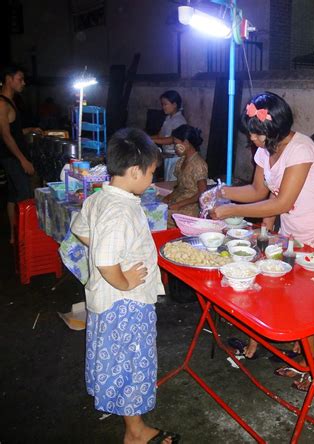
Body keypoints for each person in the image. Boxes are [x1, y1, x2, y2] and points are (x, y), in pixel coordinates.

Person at [210, 92, 314, 385]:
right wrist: (220, 191)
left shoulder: (302, 149)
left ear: (277, 129)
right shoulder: (264, 150)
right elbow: (258, 191)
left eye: (258, 133)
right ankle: (308, 361)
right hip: (292, 234)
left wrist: (231, 209)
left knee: (312, 304)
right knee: (298, 300)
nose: (254, 139)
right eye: (252, 133)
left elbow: (281, 203)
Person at [71, 128, 181, 443]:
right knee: (132, 363)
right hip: (125, 304)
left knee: (115, 358)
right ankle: (136, 431)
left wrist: (107, 252)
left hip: (108, 300)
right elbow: (106, 262)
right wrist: (124, 279)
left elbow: (81, 230)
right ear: (134, 171)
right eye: (150, 173)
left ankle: (120, 407)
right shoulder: (120, 211)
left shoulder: (101, 197)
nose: (151, 179)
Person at [0, 64, 42, 244]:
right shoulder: (2, 104)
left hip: (10, 158)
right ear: (9, 79)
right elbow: (5, 135)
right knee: (25, 195)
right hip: (12, 158)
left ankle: (14, 236)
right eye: (20, 79)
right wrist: (23, 160)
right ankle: (26, 238)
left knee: (13, 196)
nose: (23, 83)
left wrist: (30, 129)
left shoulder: (10, 102)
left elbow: (14, 131)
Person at [162, 124, 208, 228]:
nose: (174, 147)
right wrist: (168, 197)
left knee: (159, 215)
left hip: (190, 207)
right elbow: (179, 186)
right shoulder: (181, 161)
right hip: (178, 201)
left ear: (186, 143)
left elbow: (203, 193)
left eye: (176, 144)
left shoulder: (198, 165)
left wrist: (179, 205)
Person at [151, 90, 187, 181]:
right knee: (167, 181)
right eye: (162, 104)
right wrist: (147, 137)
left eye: (165, 104)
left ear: (174, 104)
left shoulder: (179, 120)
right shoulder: (168, 118)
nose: (163, 107)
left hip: (176, 158)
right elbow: (161, 135)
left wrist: (152, 140)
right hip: (168, 157)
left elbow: (172, 139)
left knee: (171, 183)